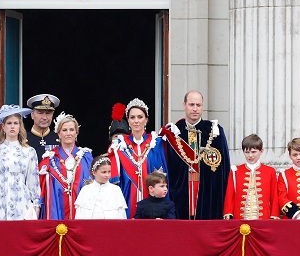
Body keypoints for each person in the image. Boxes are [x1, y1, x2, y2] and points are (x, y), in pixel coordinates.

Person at [160, 90, 232, 220]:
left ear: (203, 106)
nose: (195, 109)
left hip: (207, 192)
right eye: (191, 104)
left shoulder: (214, 131)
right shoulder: (174, 132)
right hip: (181, 193)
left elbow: (224, 168)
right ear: (184, 105)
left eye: (198, 105)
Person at [111, 99, 168, 218]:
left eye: (140, 117)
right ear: (128, 121)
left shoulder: (156, 143)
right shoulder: (120, 145)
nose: (136, 121)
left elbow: (163, 175)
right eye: (132, 117)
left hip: (152, 199)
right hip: (127, 196)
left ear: (146, 119)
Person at [0, 105, 40, 221]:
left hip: (23, 204)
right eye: (9, 123)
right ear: (3, 126)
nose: (12, 126)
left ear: (20, 126)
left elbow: (33, 182)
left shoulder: (29, 152)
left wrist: (36, 207)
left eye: (15, 123)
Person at [38, 113, 93, 221]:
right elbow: (40, 188)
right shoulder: (49, 159)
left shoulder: (86, 157)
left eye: (71, 130)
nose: (68, 133)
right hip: (57, 210)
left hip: (82, 212)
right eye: (64, 130)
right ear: (58, 133)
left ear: (76, 133)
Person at [224, 133, 280, 220]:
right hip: (240, 219)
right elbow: (229, 196)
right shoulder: (235, 171)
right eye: (247, 152)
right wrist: (228, 213)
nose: (250, 155)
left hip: (264, 219)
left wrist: (274, 215)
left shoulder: (270, 171)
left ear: (261, 151)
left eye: (254, 152)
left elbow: (274, 196)